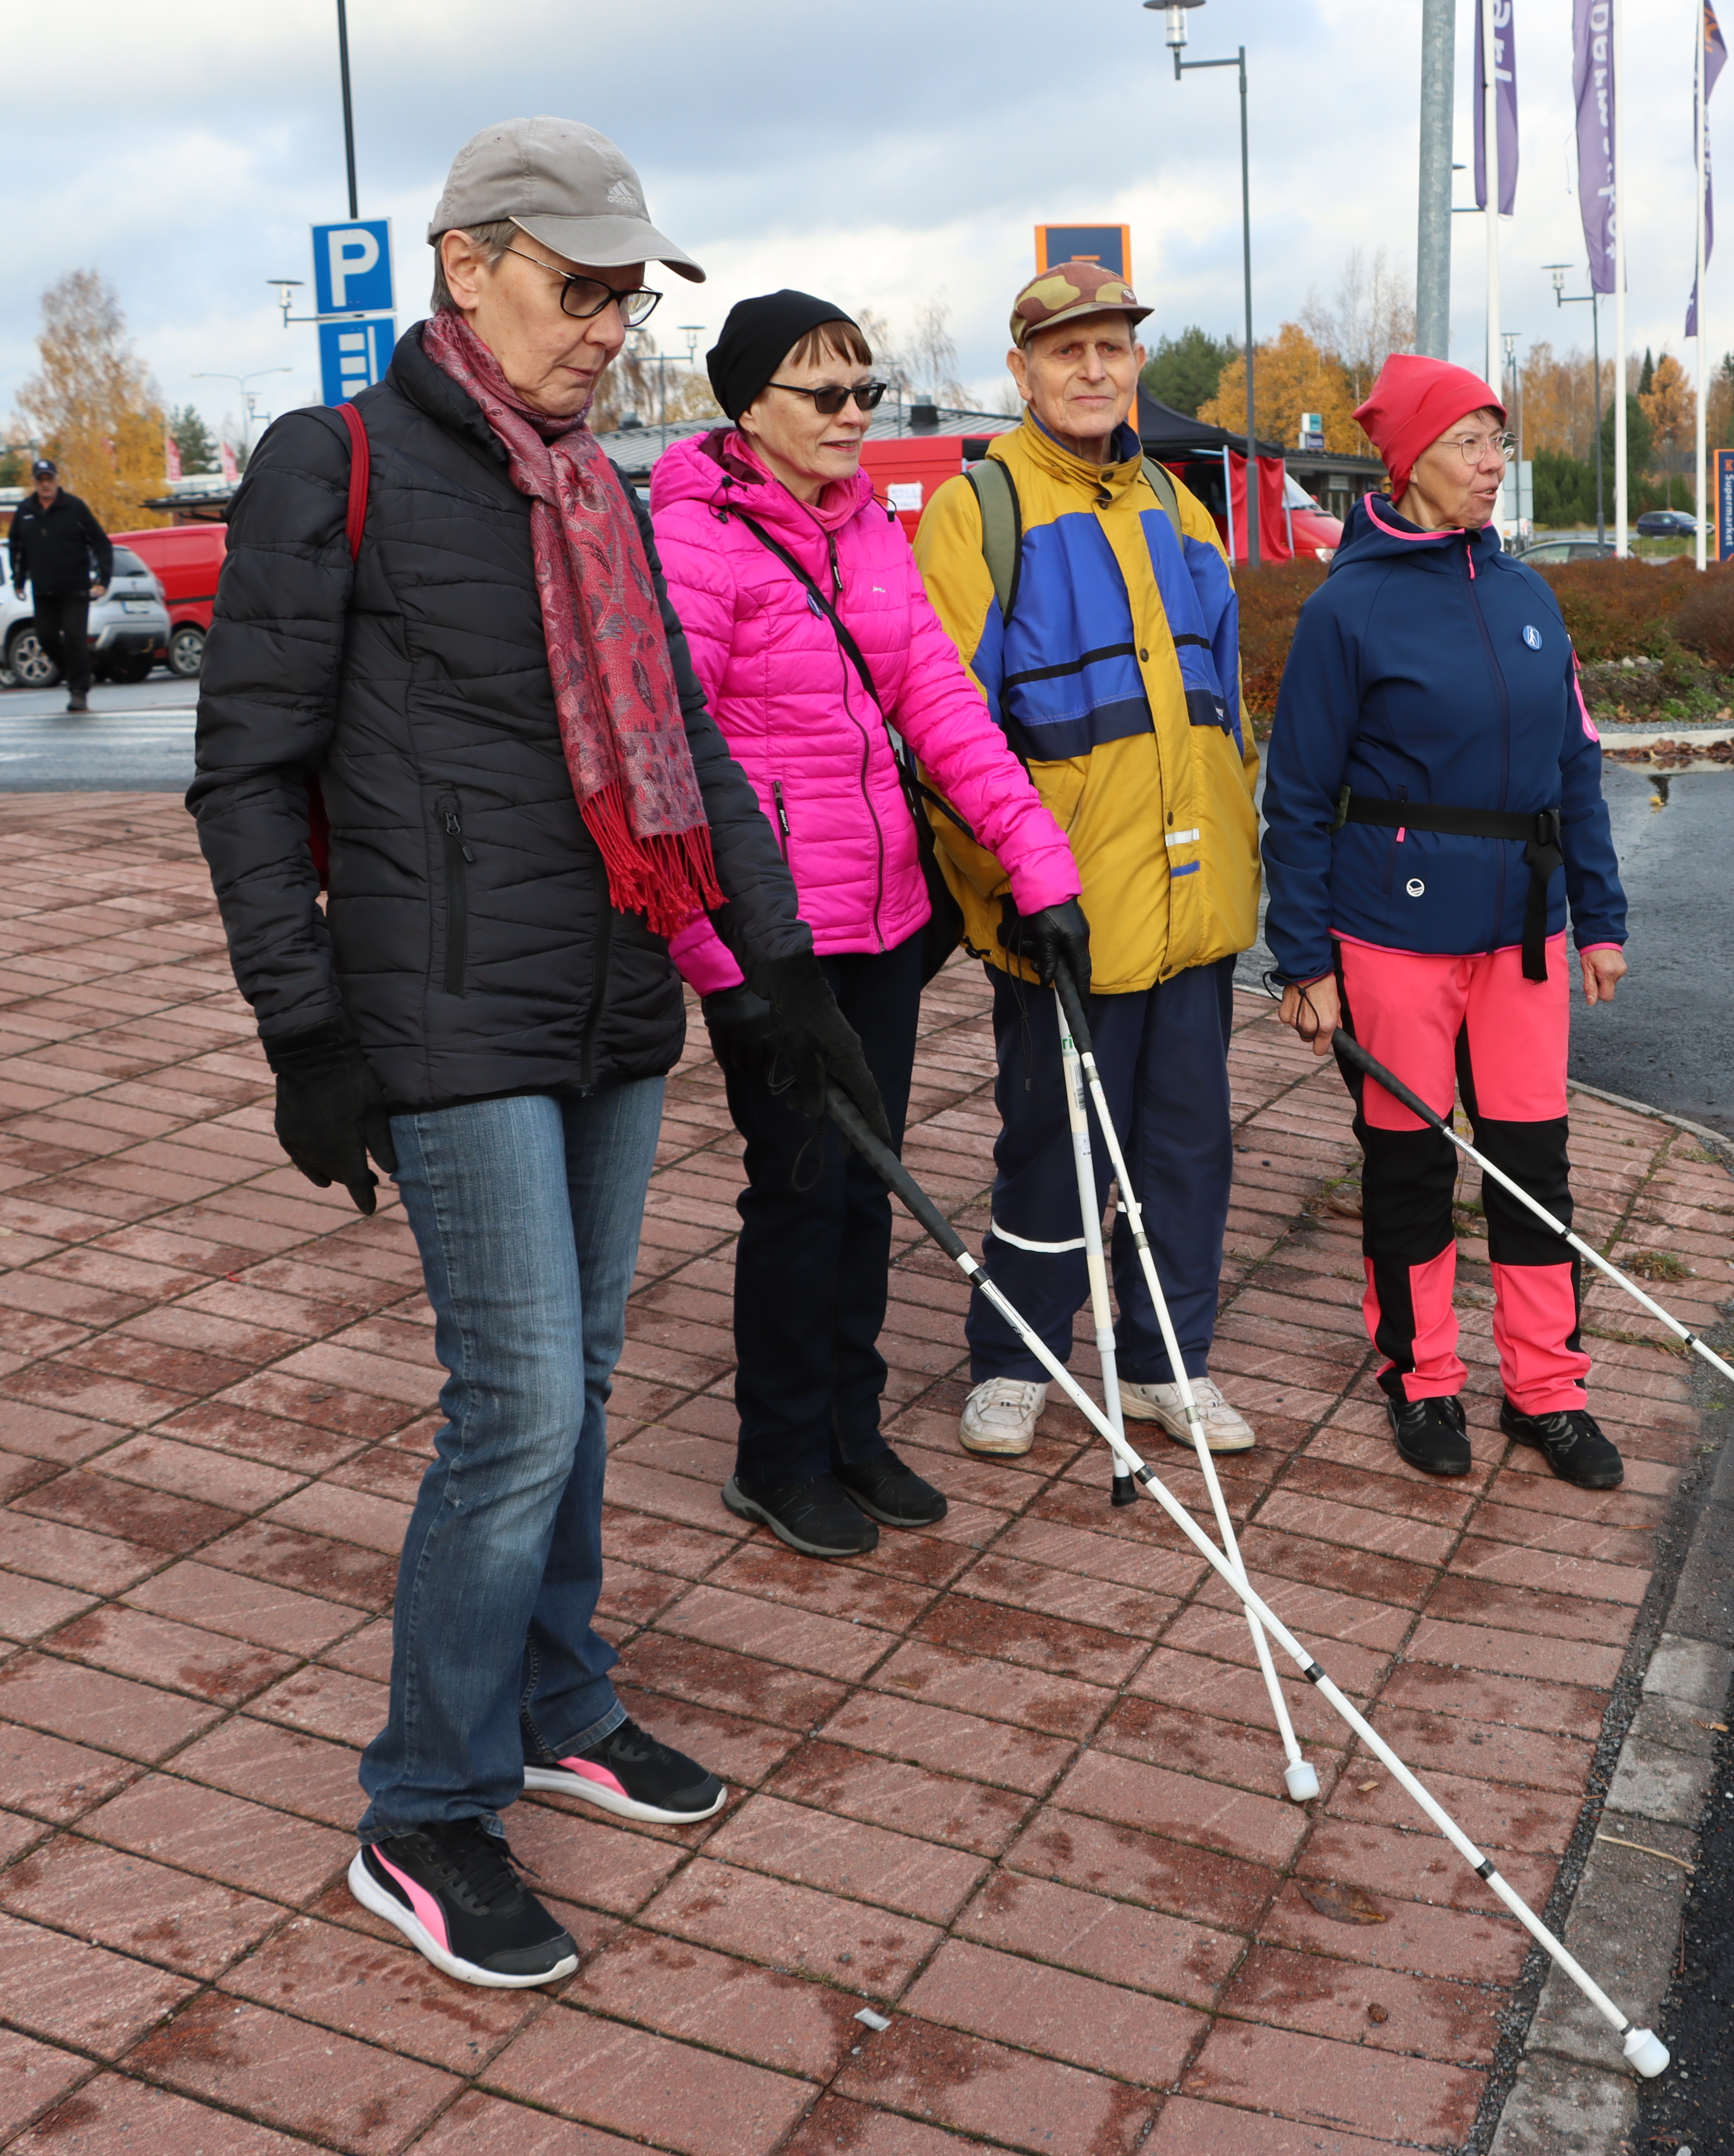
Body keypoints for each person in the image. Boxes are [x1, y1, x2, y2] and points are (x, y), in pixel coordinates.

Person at [190, 118, 885, 1992]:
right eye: (578, 289)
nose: (608, 327)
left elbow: (696, 755)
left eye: (627, 295)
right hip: (443, 1013)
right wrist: (305, 1031)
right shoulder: (325, 468)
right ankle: (423, 1804)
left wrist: (781, 978)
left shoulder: (599, 488)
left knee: (576, 1373)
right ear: (465, 266)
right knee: (517, 1403)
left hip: (613, 1002)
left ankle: (562, 1694)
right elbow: (248, 771)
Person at [646, 291, 1087, 1559]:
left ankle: (851, 1423)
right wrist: (723, 971)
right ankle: (776, 1455)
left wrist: (1039, 870)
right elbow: (669, 775)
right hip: (777, 948)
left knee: (869, 1188)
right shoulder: (697, 545)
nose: (851, 417)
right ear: (748, 407)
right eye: (822, 393)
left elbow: (944, 708)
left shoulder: (870, 535)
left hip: (888, 921)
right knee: (798, 1193)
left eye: (863, 393)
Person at [1259, 353, 1632, 1490]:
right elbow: (1296, 794)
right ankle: (1421, 1377)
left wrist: (1600, 914)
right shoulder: (1348, 608)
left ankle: (1546, 1389)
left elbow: (1576, 764)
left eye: (1499, 441)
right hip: (1390, 934)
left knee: (1532, 1166)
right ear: (1409, 460)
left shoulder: (1526, 594)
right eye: (1471, 443)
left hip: (1523, 932)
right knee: (1410, 1166)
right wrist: (1305, 958)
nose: (1493, 465)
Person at [912, 263, 1261, 1460]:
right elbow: (945, 725)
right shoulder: (982, 509)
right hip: (1064, 906)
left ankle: (1172, 1360)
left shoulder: (1180, 504)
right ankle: (1018, 1354)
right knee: (1049, 1145)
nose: (1095, 370)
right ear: (1021, 372)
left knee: (1185, 1145)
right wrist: (1009, 889)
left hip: (1191, 907)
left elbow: (1222, 705)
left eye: (1112, 348)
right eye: (1068, 352)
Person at [6, 457, 112, 712]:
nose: (45, 485)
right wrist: (18, 580)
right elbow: (16, 547)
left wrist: (102, 580)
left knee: (75, 639)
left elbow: (101, 544)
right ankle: (78, 674)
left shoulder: (75, 508)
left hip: (75, 589)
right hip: (43, 590)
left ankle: (78, 691)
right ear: (34, 483)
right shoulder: (25, 511)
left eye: (49, 479)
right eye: (40, 480)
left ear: (57, 480)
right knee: (46, 638)